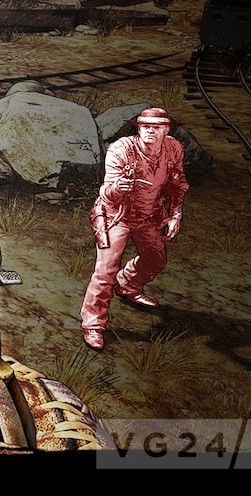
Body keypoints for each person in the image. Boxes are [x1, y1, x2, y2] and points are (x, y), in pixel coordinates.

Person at [80, 107, 189, 350]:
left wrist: (175, 213)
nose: (150, 131)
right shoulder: (121, 149)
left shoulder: (173, 148)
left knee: (156, 259)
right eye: (145, 126)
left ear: (166, 130)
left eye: (156, 127)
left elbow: (178, 183)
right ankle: (93, 325)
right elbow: (107, 194)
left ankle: (128, 284)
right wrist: (119, 187)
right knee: (105, 271)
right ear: (138, 128)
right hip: (116, 215)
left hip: (147, 215)